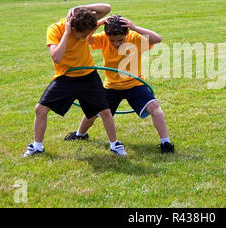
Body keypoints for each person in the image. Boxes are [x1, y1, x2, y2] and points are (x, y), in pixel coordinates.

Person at [24, 3, 128, 157]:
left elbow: (107, 8)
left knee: (105, 111)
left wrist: (79, 8)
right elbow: (57, 57)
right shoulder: (55, 30)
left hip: (88, 76)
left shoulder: (84, 24)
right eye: (83, 35)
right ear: (73, 29)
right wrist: (66, 34)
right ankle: (37, 146)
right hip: (66, 77)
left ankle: (115, 145)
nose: (87, 37)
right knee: (40, 109)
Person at [73, 15, 175, 154]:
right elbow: (85, 39)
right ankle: (80, 134)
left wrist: (134, 27)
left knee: (155, 107)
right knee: (92, 111)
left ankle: (166, 143)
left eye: (120, 40)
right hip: (111, 86)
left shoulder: (134, 37)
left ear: (127, 33)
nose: (116, 43)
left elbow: (157, 39)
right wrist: (99, 23)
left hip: (134, 83)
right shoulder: (103, 38)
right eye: (112, 40)